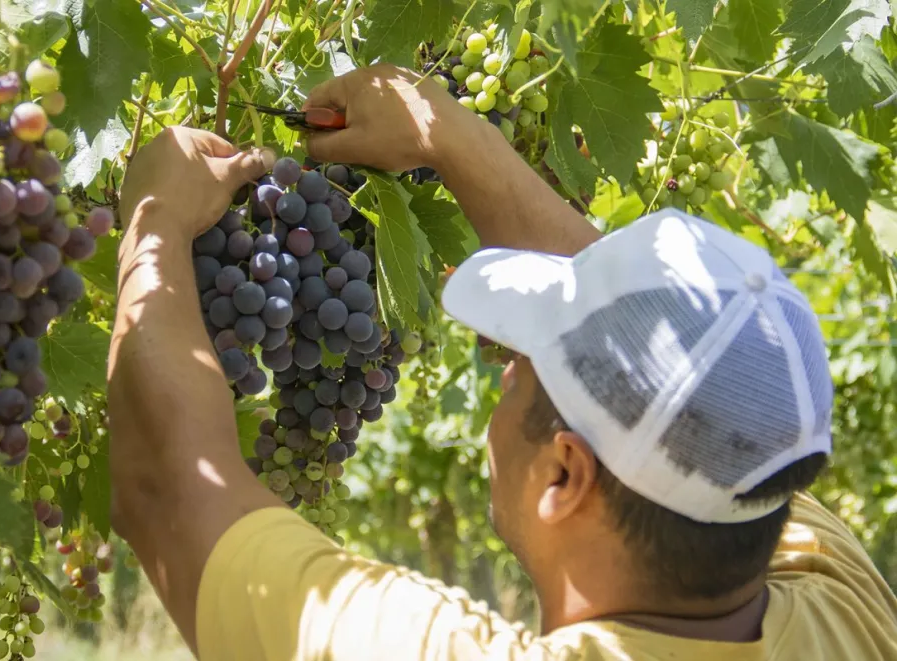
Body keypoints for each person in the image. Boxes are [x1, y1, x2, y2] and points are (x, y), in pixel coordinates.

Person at [111, 64, 897, 660]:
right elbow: (692, 382)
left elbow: (167, 482)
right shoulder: (845, 607)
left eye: (529, 363)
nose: (505, 363)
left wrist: (154, 220)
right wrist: (443, 131)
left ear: (564, 474)